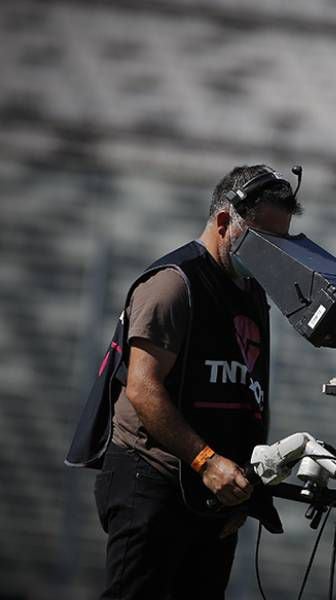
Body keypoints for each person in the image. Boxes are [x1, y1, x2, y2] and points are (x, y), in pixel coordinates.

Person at [66, 164, 301, 599]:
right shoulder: (173, 285)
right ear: (225, 222)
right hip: (151, 481)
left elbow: (248, 395)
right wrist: (208, 463)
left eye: (280, 244)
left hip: (215, 493)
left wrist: (242, 493)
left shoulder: (251, 293)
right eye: (264, 242)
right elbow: (142, 388)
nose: (273, 256)